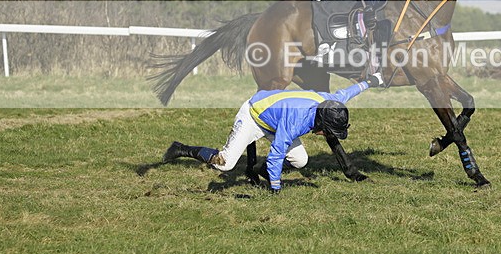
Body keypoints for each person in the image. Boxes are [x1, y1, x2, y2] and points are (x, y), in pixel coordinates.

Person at [162, 73, 383, 192]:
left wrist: (371, 81)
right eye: (329, 131)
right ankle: (181, 148)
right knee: (224, 163)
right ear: (322, 122)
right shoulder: (296, 121)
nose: (327, 135)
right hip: (253, 116)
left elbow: (347, 92)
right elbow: (277, 151)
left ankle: (260, 170)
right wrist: (275, 187)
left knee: (300, 160)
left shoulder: (329, 103)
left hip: (274, 120)